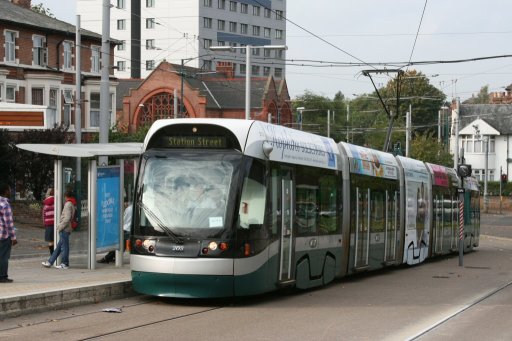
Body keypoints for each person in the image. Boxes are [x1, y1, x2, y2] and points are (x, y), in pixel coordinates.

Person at [42, 190, 76, 269]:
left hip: (65, 228)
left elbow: (67, 218)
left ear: (66, 196)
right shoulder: (71, 203)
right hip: (66, 228)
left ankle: (65, 263)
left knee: (64, 247)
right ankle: (50, 262)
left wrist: (60, 227)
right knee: (58, 247)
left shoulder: (68, 204)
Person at [0, 182, 17, 283]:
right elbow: (9, 223)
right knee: (4, 256)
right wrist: (13, 237)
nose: (11, 191)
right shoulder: (5, 204)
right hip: (4, 235)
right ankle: (2, 276)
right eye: (10, 190)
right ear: (6, 191)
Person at [42, 188, 55, 256]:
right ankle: (56, 257)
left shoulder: (45, 204)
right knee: (56, 240)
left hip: (48, 224)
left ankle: (52, 256)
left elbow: (43, 215)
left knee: (50, 241)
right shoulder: (56, 202)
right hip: (55, 224)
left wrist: (45, 224)